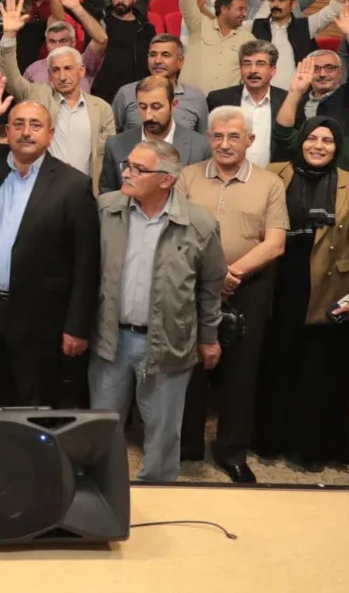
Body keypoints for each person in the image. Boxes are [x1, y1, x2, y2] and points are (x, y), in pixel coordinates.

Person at [0, 73, 100, 409]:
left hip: (39, 314)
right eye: (19, 124)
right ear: (7, 132)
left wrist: (77, 326)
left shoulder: (73, 185)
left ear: (50, 134)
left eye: (35, 125)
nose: (26, 131)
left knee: (32, 401)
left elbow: (86, 263)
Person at [89, 140, 225, 482]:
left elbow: (210, 287)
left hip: (167, 343)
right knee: (101, 426)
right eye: (127, 165)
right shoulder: (105, 210)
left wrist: (209, 338)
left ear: (167, 179)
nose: (126, 173)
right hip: (110, 339)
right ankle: (101, 489)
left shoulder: (199, 223)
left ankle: (160, 490)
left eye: (138, 169)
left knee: (164, 432)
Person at [177, 105, 290, 483]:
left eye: (234, 137)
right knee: (189, 368)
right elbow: (174, 231)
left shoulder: (269, 183)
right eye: (218, 136)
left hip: (248, 288)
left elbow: (275, 243)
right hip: (192, 286)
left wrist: (232, 274)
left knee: (241, 374)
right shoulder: (187, 177)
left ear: (250, 140)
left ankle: (232, 451)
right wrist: (212, 277)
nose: (225, 144)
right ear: (208, 138)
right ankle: (186, 445)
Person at [259, 116, 349, 470]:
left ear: (337, 147)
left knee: (317, 371)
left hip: (328, 288)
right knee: (277, 363)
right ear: (302, 141)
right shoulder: (275, 173)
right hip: (279, 281)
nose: (318, 146)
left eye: (327, 140)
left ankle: (309, 447)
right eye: (312, 138)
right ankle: (270, 439)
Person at [0, 0, 116, 185]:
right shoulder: (35, 95)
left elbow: (109, 156)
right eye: (55, 70)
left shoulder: (102, 109)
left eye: (68, 68)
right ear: (49, 74)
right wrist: (9, 37)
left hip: (86, 191)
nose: (62, 76)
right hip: (41, 188)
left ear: (81, 71)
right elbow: (10, 78)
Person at [98, 76, 210, 195]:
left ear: (173, 105)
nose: (148, 116)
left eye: (156, 107)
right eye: (142, 107)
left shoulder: (200, 148)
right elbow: (107, 196)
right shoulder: (115, 145)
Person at [179, 0, 255, 93]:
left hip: (226, 101)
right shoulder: (199, 12)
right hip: (191, 92)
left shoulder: (248, 38)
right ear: (224, 9)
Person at [206, 41, 285, 168]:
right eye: (247, 64)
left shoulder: (286, 101)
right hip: (227, 174)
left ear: (273, 70)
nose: (253, 70)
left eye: (260, 64)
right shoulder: (218, 99)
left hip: (273, 175)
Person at [109, 35, 210, 135]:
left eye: (165, 55)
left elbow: (203, 140)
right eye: (152, 55)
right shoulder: (126, 94)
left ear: (180, 61)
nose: (157, 61)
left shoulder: (196, 98)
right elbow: (113, 137)